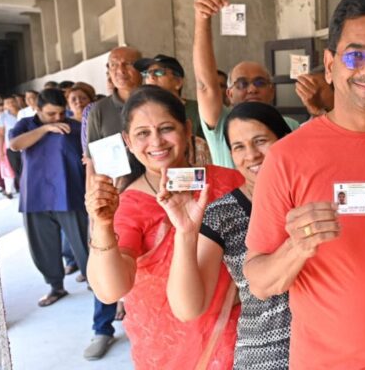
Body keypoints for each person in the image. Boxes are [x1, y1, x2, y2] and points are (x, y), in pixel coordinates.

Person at [243, 0, 365, 369]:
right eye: (355, 55)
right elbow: (260, 282)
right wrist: (297, 247)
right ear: (330, 65)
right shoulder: (286, 158)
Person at [86, 85, 244, 369]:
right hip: (167, 347)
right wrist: (102, 224)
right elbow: (111, 291)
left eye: (166, 128)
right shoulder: (130, 204)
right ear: (128, 141)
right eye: (143, 133)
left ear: (186, 128)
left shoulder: (229, 183)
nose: (156, 142)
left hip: (240, 337)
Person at [166, 102, 292, 369]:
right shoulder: (221, 214)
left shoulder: (313, 200)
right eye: (239, 147)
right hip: (262, 358)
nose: (252, 155)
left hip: (327, 350)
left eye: (260, 141)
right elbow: (188, 308)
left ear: (285, 141)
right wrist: (186, 234)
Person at [193, 0, 299, 168]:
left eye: (260, 82)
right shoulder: (221, 123)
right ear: (229, 93)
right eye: (242, 84)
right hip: (234, 197)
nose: (252, 89)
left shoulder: (290, 125)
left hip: (277, 196)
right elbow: (205, 86)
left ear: (271, 90)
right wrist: (202, 19)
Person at [83, 45, 142, 359]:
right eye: (113, 64)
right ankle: (102, 328)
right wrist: (91, 200)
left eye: (128, 63)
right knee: (106, 261)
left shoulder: (152, 100)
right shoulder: (100, 110)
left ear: (141, 67)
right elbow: (91, 159)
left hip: (154, 197)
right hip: (115, 201)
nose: (119, 70)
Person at [8, 89, 89, 310]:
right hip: (35, 195)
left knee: (84, 242)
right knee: (43, 246)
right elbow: (15, 145)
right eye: (51, 114)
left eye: (61, 113)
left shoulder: (74, 127)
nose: (57, 118)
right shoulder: (25, 125)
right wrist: (45, 129)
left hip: (69, 194)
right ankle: (56, 286)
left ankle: (95, 281)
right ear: (38, 110)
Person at [134, 54, 211, 166]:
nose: (150, 78)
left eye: (158, 72)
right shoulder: (140, 115)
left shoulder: (199, 110)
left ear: (178, 82)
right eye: (146, 74)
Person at [0, 96, 20, 195]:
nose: (10, 104)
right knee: (17, 170)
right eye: (7, 103)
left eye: (12, 101)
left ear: (16, 102)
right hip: (11, 147)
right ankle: (23, 191)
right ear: (4, 105)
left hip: (27, 145)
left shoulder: (22, 113)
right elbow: (1, 134)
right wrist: (1, 150)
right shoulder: (3, 116)